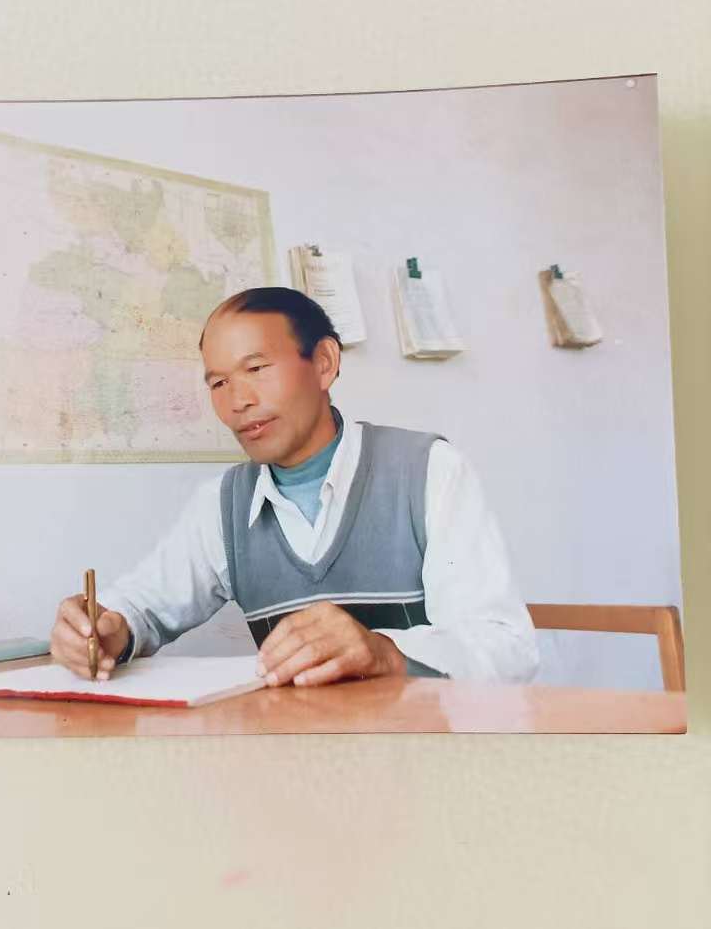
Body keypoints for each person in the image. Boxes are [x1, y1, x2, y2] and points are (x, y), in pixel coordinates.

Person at [50, 287, 538, 687]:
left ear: (324, 363)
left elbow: (507, 648)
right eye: (218, 384)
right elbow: (142, 606)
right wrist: (107, 629)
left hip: (429, 753)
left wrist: (383, 651)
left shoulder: (427, 470)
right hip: (296, 757)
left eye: (256, 369)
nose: (238, 401)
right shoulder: (223, 504)